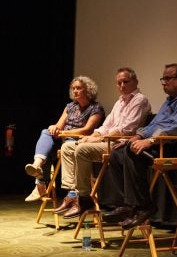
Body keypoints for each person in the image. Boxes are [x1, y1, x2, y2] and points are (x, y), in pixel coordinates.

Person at [98, 63, 177, 229]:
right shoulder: (169, 102)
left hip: (176, 147)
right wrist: (138, 135)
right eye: (163, 78)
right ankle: (127, 205)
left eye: (168, 78)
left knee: (132, 151)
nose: (163, 82)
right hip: (161, 144)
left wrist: (150, 141)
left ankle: (143, 206)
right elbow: (155, 124)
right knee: (117, 152)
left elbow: (175, 129)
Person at [53, 67, 151, 218]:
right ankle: (72, 193)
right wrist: (94, 135)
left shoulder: (140, 100)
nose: (122, 86)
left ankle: (84, 198)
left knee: (82, 150)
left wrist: (98, 138)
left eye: (126, 82)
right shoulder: (120, 102)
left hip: (120, 144)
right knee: (67, 147)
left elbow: (126, 129)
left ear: (136, 82)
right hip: (108, 140)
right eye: (119, 83)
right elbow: (106, 125)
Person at [24, 76, 105, 202]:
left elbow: (87, 130)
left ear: (88, 90)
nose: (75, 91)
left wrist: (63, 132)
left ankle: (40, 182)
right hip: (63, 138)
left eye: (78, 88)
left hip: (79, 142)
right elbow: (58, 126)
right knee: (46, 132)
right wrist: (54, 128)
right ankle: (37, 164)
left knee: (53, 150)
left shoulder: (96, 108)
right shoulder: (70, 106)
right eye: (73, 89)